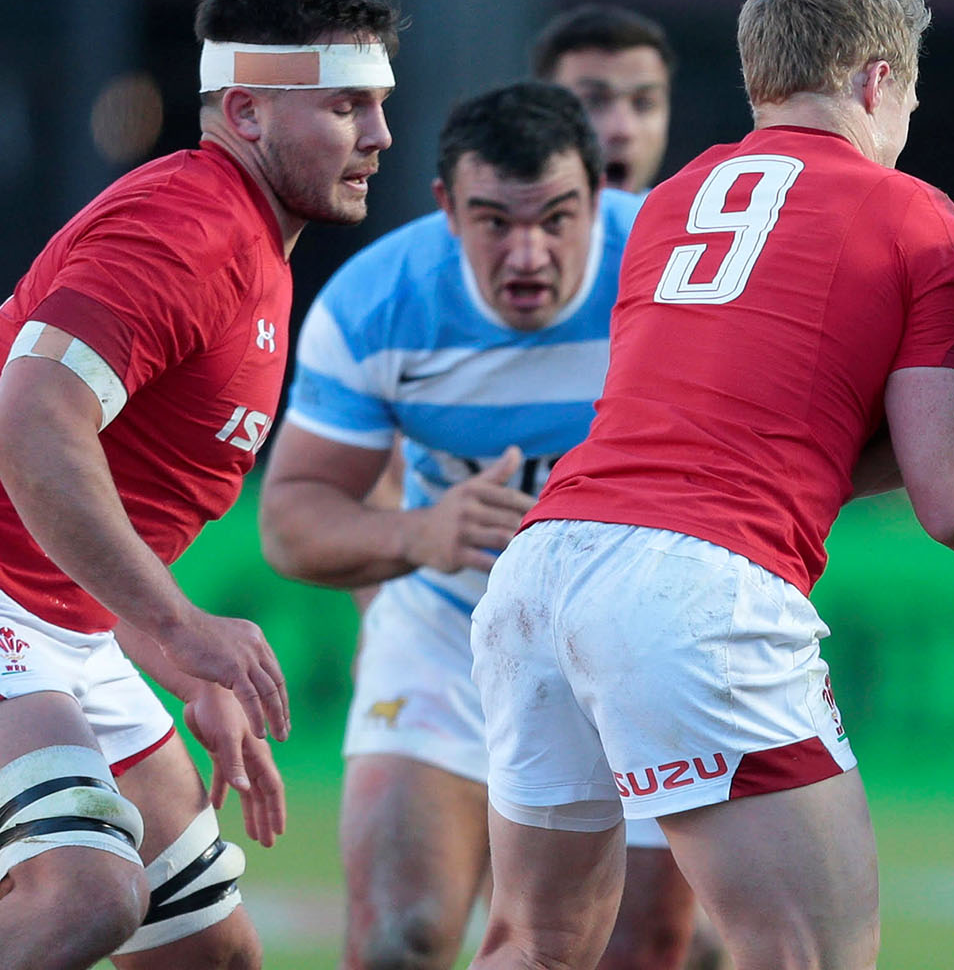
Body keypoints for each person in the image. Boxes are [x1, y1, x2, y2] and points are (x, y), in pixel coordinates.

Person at [466, 0, 954, 970]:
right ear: (877, 81)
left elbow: (776, 440)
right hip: (693, 592)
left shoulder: (671, 200)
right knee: (810, 955)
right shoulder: (920, 219)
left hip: (542, 566)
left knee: (534, 944)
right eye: (907, 94)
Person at [257, 82, 712, 970]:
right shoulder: (376, 303)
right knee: (402, 938)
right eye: (494, 221)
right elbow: (290, 523)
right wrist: (419, 534)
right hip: (445, 633)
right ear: (445, 209)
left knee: (652, 946)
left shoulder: (677, 272)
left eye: (556, 217)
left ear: (602, 194)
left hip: (640, 641)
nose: (528, 253)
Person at [0, 0, 396, 969]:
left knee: (208, 954)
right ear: (250, 111)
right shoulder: (191, 229)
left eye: (380, 104)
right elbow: (31, 419)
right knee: (86, 896)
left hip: (66, 625)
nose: (380, 136)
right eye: (348, 106)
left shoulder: (247, 239)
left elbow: (95, 494)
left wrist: (175, 657)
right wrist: (181, 621)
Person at [533, 4, 675, 195]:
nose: (623, 130)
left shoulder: (686, 221)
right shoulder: (493, 219)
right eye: (593, 101)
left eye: (643, 103)